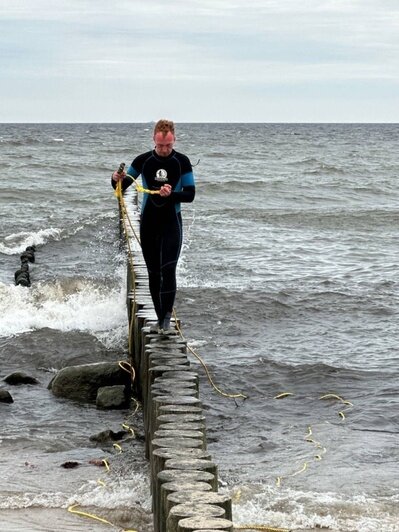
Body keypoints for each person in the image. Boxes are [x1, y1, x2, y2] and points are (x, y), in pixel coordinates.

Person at [111, 119, 195, 333]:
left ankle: (166, 320)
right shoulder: (143, 160)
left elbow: (190, 194)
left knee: (168, 270)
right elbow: (122, 186)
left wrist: (172, 194)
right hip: (149, 223)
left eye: (168, 145)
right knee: (153, 272)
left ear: (174, 139)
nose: (164, 150)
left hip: (171, 223)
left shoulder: (181, 162)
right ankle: (158, 318)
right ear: (154, 140)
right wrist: (115, 179)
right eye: (160, 145)